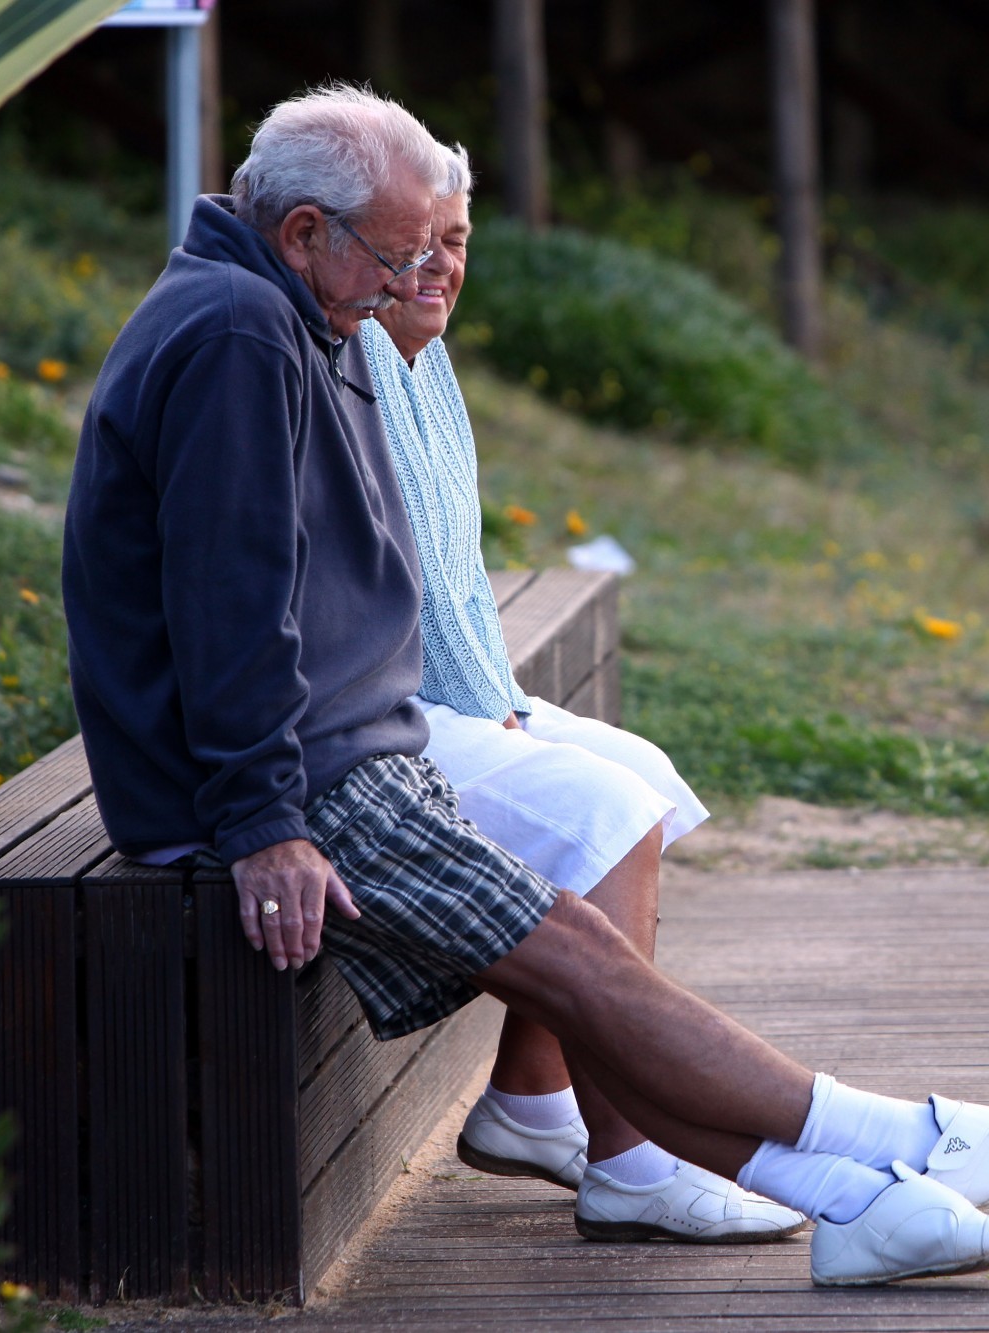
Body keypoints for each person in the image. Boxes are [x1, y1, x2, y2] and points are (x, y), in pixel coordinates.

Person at [62, 83, 989, 1287]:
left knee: (577, 962)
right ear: (302, 233)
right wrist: (264, 823)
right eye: (395, 259)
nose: (413, 285)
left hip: (344, 747)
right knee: (576, 956)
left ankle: (858, 1199)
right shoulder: (244, 331)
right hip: (295, 776)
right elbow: (229, 602)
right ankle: (903, 1139)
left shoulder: (297, 311)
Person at [361, 153, 791, 1243]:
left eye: (455, 242)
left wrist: (496, 702)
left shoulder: (423, 357)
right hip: (368, 718)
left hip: (436, 692)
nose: (437, 266)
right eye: (414, 243)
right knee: (606, 812)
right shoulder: (348, 355)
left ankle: (529, 1094)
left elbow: (452, 572)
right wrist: (485, 712)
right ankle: (633, 1161)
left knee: (643, 773)